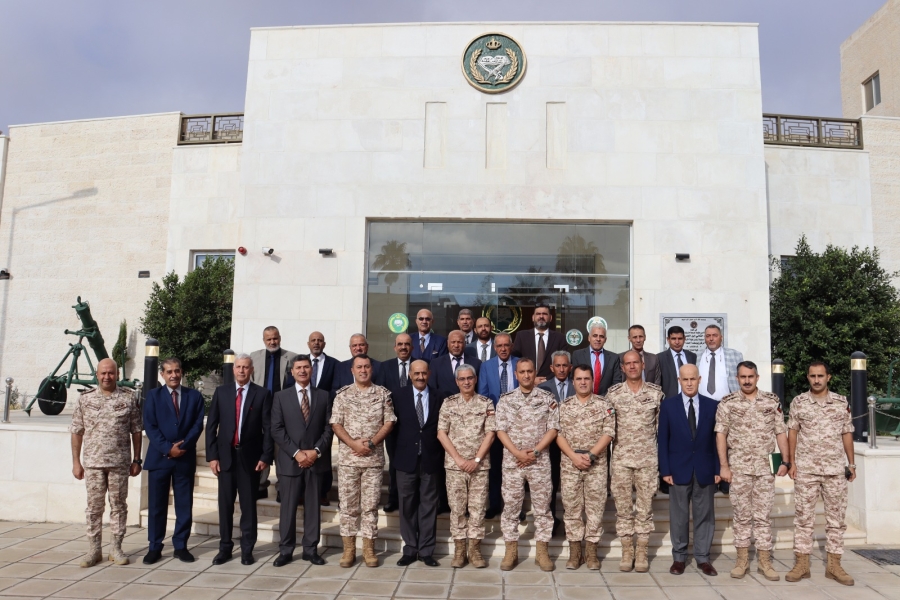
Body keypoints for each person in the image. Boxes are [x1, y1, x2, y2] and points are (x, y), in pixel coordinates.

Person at [716, 361, 790, 581]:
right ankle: (742, 561)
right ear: (737, 379)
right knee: (741, 516)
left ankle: (765, 562)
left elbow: (780, 432)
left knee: (763, 517)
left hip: (765, 469)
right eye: (743, 377)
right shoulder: (727, 403)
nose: (747, 381)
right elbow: (721, 434)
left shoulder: (771, 401)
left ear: (757, 377)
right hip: (739, 469)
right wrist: (724, 466)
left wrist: (785, 461)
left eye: (750, 376)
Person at [784, 362, 856, 586]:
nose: (816, 380)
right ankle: (802, 565)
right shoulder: (799, 402)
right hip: (806, 470)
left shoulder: (841, 402)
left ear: (828, 377)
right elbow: (793, 432)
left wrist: (852, 463)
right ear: (808, 377)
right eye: (813, 376)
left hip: (835, 470)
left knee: (836, 520)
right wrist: (792, 463)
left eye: (820, 376)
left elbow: (847, 433)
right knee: (803, 519)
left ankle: (834, 566)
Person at [70, 358, 143, 568]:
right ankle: (94, 550)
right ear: (97, 374)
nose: (107, 377)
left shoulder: (128, 398)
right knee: (94, 508)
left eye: (111, 373)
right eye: (103, 373)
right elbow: (76, 431)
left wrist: (137, 459)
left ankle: (116, 548)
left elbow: (136, 431)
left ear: (117, 375)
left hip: (119, 463)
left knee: (119, 506)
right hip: (93, 463)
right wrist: (76, 462)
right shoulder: (85, 399)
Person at [205, 354, 274, 566]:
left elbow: (268, 428)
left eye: (245, 367)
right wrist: (212, 456)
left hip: (250, 460)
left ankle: (247, 549)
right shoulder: (221, 392)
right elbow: (211, 426)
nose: (242, 371)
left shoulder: (262, 394)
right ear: (233, 369)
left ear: (251, 370)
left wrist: (265, 456)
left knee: (248, 507)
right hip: (225, 459)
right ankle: (225, 548)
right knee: (225, 506)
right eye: (238, 367)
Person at [331, 354, 396, 568]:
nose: (363, 370)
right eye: (359, 367)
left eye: (366, 366)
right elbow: (336, 424)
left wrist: (371, 443)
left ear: (371, 369)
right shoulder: (342, 395)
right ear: (352, 370)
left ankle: (369, 549)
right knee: (348, 507)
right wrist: (353, 444)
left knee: (370, 507)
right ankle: (349, 550)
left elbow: (389, 422)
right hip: (349, 460)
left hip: (373, 461)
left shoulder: (383, 394)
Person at [495, 358, 559, 572]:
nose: (526, 375)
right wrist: (517, 453)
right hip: (513, 462)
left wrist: (536, 451)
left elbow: (553, 428)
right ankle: (511, 551)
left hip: (539, 462)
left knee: (543, 508)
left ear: (534, 373)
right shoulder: (505, 400)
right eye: (522, 372)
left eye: (529, 371)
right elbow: (500, 430)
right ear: (516, 374)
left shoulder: (547, 398)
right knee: (511, 507)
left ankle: (542, 552)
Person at [271, 355, 333, 567]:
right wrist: (296, 453)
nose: (303, 371)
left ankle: (310, 549)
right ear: (292, 372)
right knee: (288, 508)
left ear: (311, 370)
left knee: (313, 508)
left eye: (306, 367)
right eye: (298, 368)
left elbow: (329, 428)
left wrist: (316, 452)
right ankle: (286, 550)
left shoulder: (324, 396)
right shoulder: (281, 397)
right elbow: (276, 429)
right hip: (290, 462)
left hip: (316, 462)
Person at [658, 364, 720, 576]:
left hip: (705, 469)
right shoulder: (668, 406)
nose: (689, 383)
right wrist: (665, 470)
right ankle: (679, 558)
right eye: (685, 379)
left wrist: (718, 468)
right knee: (679, 516)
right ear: (679, 381)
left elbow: (717, 440)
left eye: (693, 379)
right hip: (677, 470)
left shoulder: (713, 406)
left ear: (699, 379)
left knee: (705, 515)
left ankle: (703, 558)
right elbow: (663, 441)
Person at [606, 350, 664, 573]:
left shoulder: (656, 394)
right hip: (621, 461)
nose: (632, 366)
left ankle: (641, 551)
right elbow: (608, 429)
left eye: (635, 363)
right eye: (627, 363)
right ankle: (627, 551)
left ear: (642, 364)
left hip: (647, 461)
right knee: (622, 509)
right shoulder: (613, 395)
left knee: (644, 510)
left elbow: (660, 429)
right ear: (622, 368)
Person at [143, 358, 205, 564]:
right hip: (159, 459)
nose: (174, 375)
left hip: (184, 459)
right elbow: (150, 426)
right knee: (156, 506)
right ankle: (155, 546)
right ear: (162, 374)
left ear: (182, 372)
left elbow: (197, 425)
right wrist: (168, 448)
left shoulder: (194, 396)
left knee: (184, 505)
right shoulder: (153, 396)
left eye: (177, 371)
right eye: (169, 372)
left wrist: (183, 447)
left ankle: (180, 546)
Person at [556, 364, 615, 570]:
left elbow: (608, 432)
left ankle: (591, 553)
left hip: (595, 465)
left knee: (595, 509)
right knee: (571, 509)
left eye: (586, 378)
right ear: (573, 382)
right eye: (579, 379)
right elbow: (558, 434)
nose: (583, 382)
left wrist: (590, 455)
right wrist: (574, 456)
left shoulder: (604, 405)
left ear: (592, 380)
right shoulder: (564, 406)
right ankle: (575, 553)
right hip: (570, 465)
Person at [437, 364, 496, 569]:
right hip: (455, 467)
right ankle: (460, 550)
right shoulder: (448, 403)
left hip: (480, 466)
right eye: (462, 379)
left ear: (475, 379)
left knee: (478, 509)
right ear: (456, 382)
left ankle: (475, 550)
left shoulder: (486, 403)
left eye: (470, 378)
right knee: (457, 509)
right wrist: (459, 460)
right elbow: (441, 433)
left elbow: (490, 433)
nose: (466, 382)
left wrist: (476, 460)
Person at [393, 360, 447, 567]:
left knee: (429, 506)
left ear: (429, 374)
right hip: (405, 460)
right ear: (410, 374)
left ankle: (426, 551)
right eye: (416, 373)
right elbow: (392, 429)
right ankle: (410, 549)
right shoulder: (398, 396)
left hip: (430, 459)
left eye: (423, 373)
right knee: (406, 506)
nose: (420, 377)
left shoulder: (439, 397)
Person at [250, 326, 297, 500]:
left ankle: (281, 488)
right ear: (264, 340)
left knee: (281, 450)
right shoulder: (254, 357)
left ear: (280, 338)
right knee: (260, 448)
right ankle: (260, 485)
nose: (272, 342)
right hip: (260, 410)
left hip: (282, 411)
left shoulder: (291, 357)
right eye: (268, 339)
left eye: (275, 338)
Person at [476, 332, 518, 519]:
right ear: (494, 348)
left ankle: (515, 508)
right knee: (494, 467)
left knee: (516, 469)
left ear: (511, 346)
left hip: (517, 425)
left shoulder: (520, 364)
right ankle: (494, 505)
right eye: (499, 346)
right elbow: (483, 395)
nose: (503, 349)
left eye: (506, 345)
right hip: (494, 424)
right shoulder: (486, 366)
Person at [537, 350, 573, 535]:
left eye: (564, 365)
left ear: (570, 367)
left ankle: (571, 524)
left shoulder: (578, 385)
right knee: (549, 485)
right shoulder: (542, 388)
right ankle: (550, 523)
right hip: (549, 446)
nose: (561, 369)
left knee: (569, 487)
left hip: (571, 445)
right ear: (551, 367)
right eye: (557, 365)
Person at [381, 333, 414, 514]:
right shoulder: (385, 367)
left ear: (412, 347)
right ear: (395, 347)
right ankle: (393, 498)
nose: (403, 347)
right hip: (392, 425)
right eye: (400, 344)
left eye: (407, 344)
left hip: (415, 424)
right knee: (394, 463)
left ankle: (412, 499)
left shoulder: (420, 365)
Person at [307, 330, 339, 506]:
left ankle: (323, 492)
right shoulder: (300, 362)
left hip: (325, 413)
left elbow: (336, 388)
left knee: (323, 451)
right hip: (302, 413)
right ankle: (302, 491)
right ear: (308, 344)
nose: (316, 343)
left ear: (324, 344)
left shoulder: (334, 364)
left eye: (320, 340)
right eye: (313, 340)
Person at [512, 303, 566, 383]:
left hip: (551, 383)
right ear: (533, 317)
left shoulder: (559, 338)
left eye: (544, 314)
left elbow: (565, 363)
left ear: (550, 318)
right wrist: (531, 378)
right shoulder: (522, 336)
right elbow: (515, 361)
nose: (541, 316)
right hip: (527, 382)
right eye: (538, 314)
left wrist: (546, 379)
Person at [572, 325, 624, 395]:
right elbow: (574, 380)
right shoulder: (578, 355)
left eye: (601, 336)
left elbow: (616, 383)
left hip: (607, 399)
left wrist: (602, 398)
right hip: (583, 398)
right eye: (595, 336)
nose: (598, 339)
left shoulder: (614, 358)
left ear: (605, 340)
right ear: (589, 338)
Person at [697, 324, 743, 401]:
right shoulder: (696, 356)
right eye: (708, 336)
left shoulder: (735, 355)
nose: (711, 339)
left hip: (728, 403)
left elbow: (743, 378)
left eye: (715, 335)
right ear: (705, 338)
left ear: (721, 337)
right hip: (702, 404)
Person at [429, 330, 482, 394]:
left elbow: (479, 388)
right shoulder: (436, 364)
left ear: (465, 343)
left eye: (459, 342)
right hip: (444, 400)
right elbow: (433, 389)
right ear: (447, 343)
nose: (456, 345)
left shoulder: (476, 363)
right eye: (453, 342)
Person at [657, 326, 697, 399]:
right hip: (669, 401)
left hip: (690, 400)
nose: (677, 342)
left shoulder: (692, 356)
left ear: (684, 339)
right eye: (673, 339)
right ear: (668, 339)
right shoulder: (660, 358)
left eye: (680, 338)